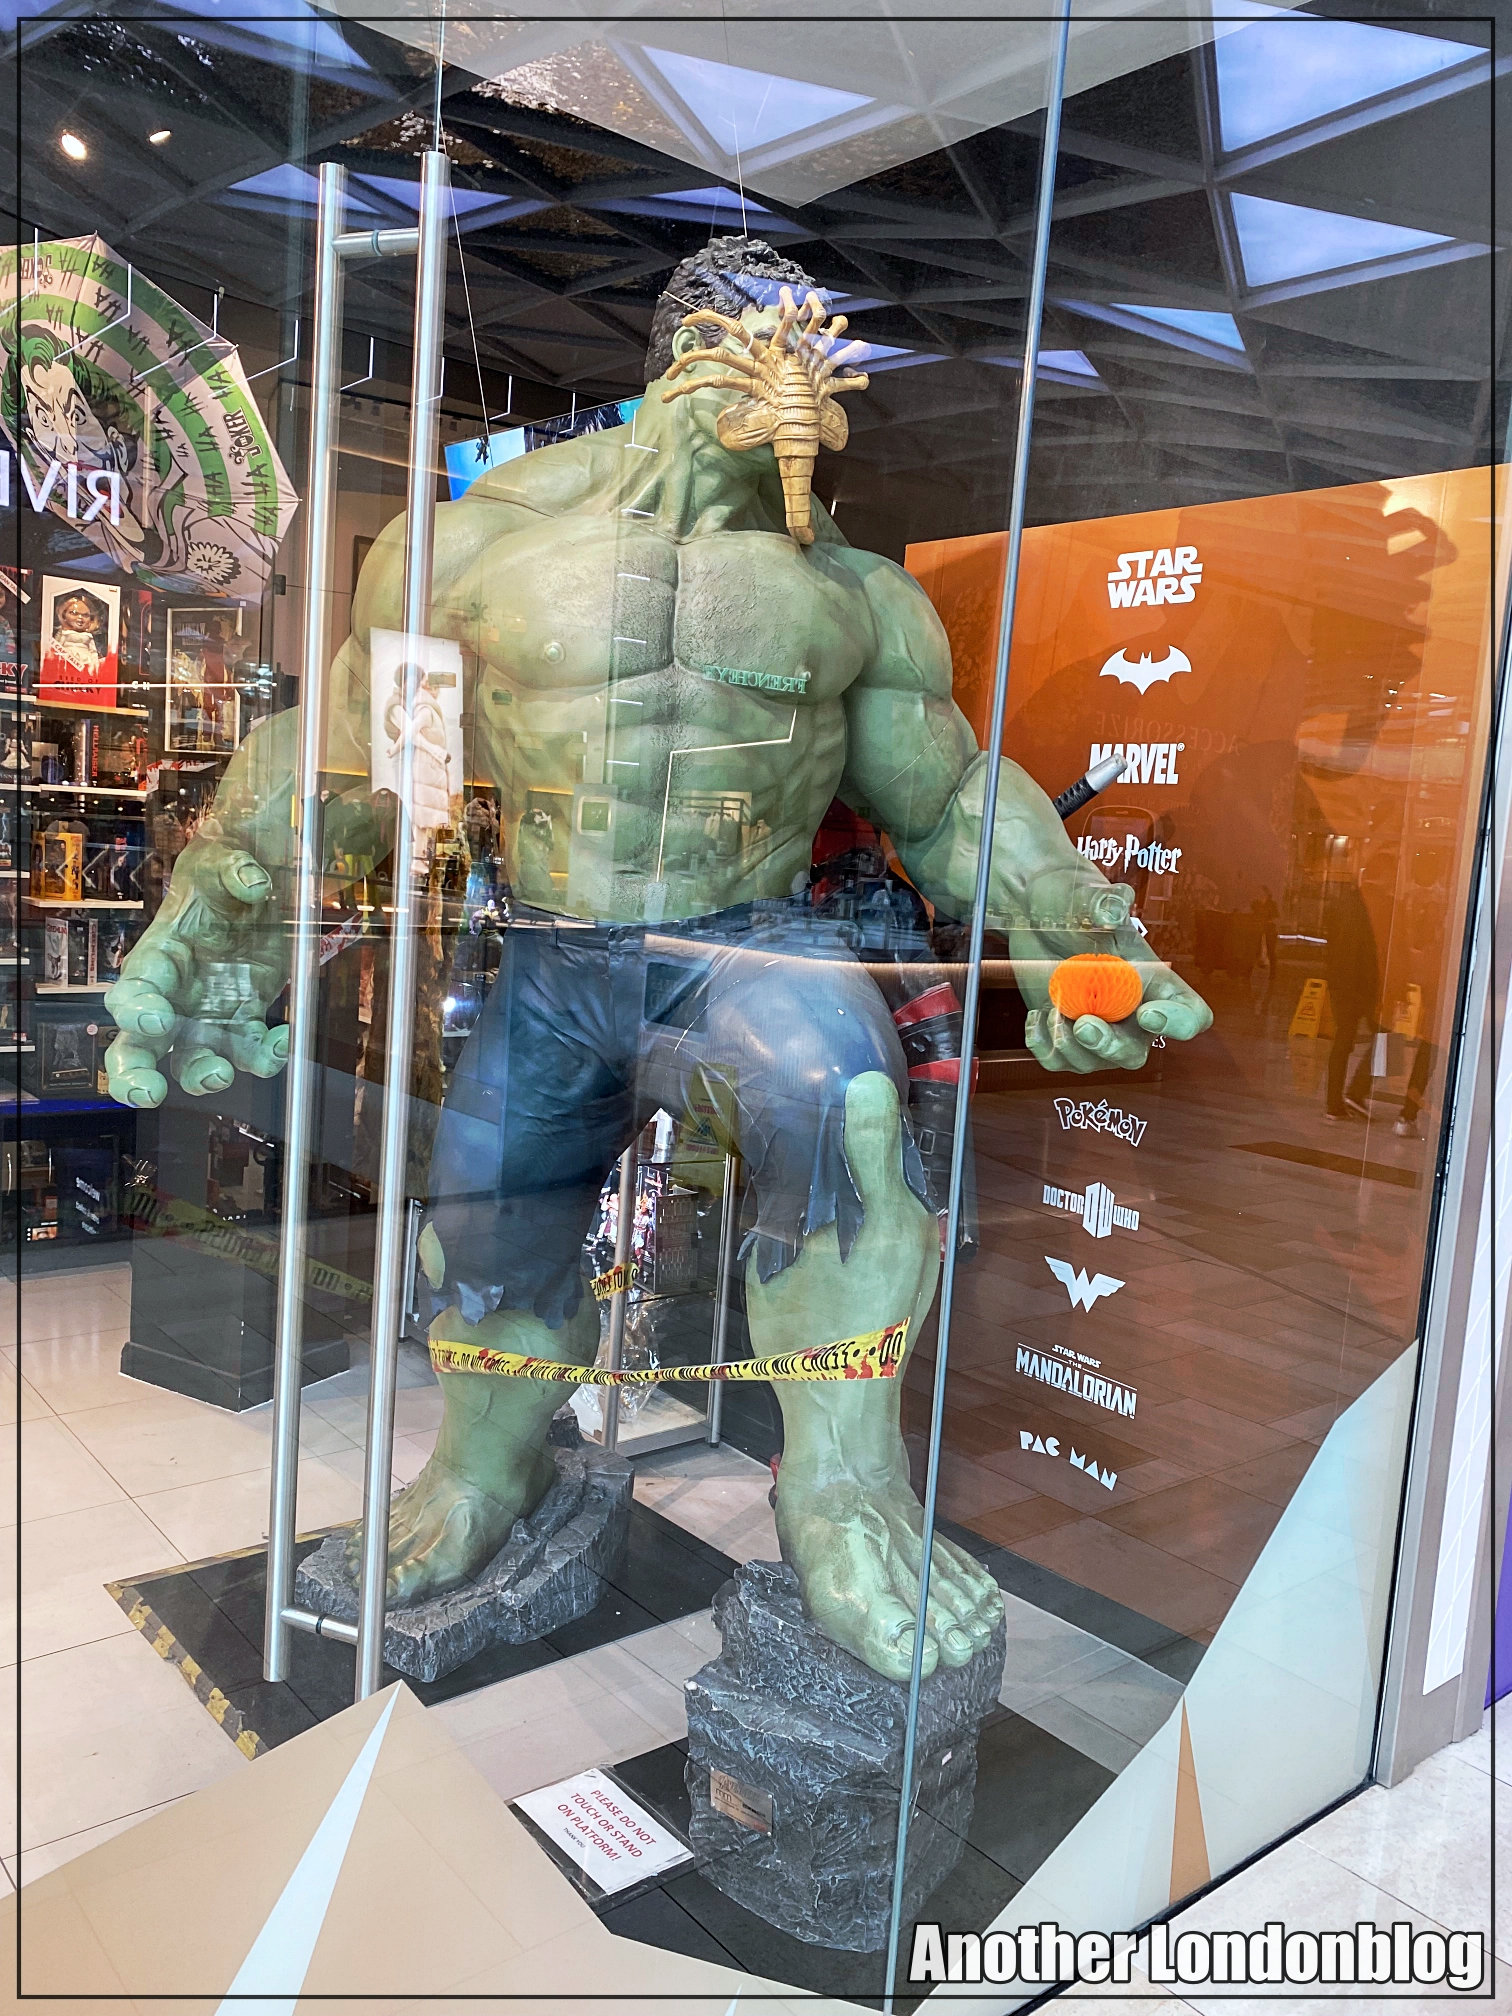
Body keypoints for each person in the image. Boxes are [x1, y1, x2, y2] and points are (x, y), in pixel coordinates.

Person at [100, 239, 1211, 1685]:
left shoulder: (853, 592)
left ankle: (844, 1491)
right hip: (554, 951)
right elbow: (360, 761)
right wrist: (212, 918)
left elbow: (945, 800)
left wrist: (1070, 925)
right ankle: (482, 1469)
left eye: (824, 368)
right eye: (775, 356)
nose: (806, 404)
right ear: (686, 366)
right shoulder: (473, 545)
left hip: (750, 947)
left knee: (853, 1117)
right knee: (487, 1211)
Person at [1324, 870, 1380, 1122]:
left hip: (1342, 984)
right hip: (1373, 986)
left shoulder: (1339, 904)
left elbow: (1331, 944)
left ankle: (1333, 1103)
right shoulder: (1385, 905)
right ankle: (1358, 1091)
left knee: (1342, 1042)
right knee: (1391, 1039)